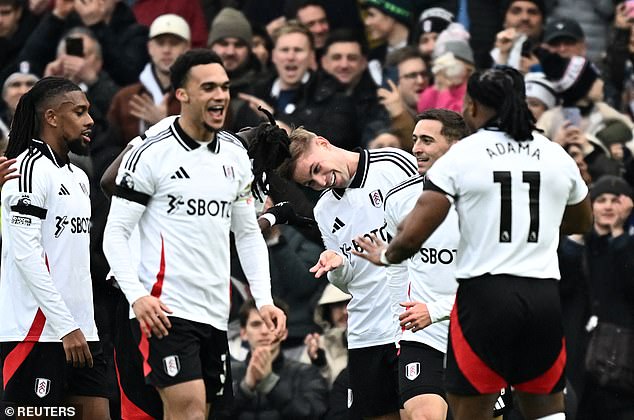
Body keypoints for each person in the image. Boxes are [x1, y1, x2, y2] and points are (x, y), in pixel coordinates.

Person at [352, 66, 593, 420]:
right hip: (542, 297)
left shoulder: (464, 155)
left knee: (470, 413)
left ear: (475, 107)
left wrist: (386, 254)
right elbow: (580, 222)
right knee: (547, 411)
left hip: (485, 300)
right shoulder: (554, 153)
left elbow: (414, 234)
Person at [102, 49, 286, 420]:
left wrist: (264, 300)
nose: (220, 95)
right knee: (187, 410)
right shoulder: (152, 152)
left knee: (203, 412)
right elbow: (115, 233)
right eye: (208, 87)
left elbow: (248, 233)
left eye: (224, 87)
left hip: (215, 312)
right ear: (182, 94)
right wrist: (137, 296)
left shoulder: (235, 155)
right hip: (163, 309)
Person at [249, 125, 418, 419]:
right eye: (311, 183)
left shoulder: (392, 163)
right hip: (366, 332)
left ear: (324, 143)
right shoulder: (325, 209)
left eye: (316, 168)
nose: (321, 181)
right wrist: (336, 265)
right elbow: (347, 279)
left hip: (410, 322)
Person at [0, 77, 109, 417]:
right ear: (51, 117)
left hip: (81, 332)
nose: (89, 120)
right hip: (37, 334)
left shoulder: (79, 177)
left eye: (88, 111)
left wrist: (80, 326)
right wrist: (65, 326)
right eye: (79, 112)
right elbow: (26, 256)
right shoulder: (25, 170)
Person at [384, 109, 468, 420]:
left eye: (427, 140)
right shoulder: (398, 200)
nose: (416, 148)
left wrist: (437, 310)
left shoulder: (483, 199)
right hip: (422, 336)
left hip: (476, 331)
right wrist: (399, 323)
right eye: (415, 139)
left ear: (455, 146)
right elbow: (396, 268)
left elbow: (493, 282)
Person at [228, 298, 329, 419]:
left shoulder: (306, 373)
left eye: (272, 323)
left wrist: (270, 382)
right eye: (256, 324)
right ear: (243, 333)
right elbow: (213, 414)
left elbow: (314, 415)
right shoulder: (230, 374)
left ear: (284, 333)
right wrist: (245, 388)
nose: (264, 331)